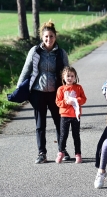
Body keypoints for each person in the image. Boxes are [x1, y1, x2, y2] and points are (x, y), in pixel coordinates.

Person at [16, 20, 69, 164]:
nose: (49, 39)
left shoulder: (61, 53)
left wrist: (69, 91)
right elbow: (26, 70)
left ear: (55, 37)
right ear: (42, 37)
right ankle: (42, 153)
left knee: (59, 122)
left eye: (51, 36)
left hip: (56, 93)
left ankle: (62, 149)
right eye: (46, 37)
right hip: (38, 92)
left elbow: (67, 73)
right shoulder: (35, 51)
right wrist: (19, 88)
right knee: (40, 125)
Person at [55, 66, 87, 164]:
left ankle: (78, 154)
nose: (70, 78)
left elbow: (84, 99)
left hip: (75, 116)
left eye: (72, 76)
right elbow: (58, 102)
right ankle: (61, 152)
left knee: (76, 135)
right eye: (68, 76)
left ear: (75, 77)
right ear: (63, 77)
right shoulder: (61, 89)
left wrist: (76, 100)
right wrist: (66, 102)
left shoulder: (78, 87)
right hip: (65, 115)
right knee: (63, 135)